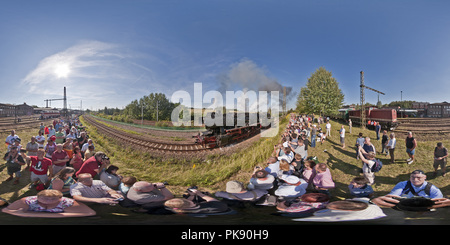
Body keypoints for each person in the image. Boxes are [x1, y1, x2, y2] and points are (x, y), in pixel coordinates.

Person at [370, 170, 444, 208]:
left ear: (425, 177)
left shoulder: (433, 189)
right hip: (404, 209)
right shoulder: (402, 185)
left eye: (419, 177)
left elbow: (439, 203)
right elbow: (392, 196)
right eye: (412, 177)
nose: (415, 179)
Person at [1, 189, 96, 218]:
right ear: (37, 197)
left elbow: (91, 213)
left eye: (53, 199)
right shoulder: (28, 201)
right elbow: (6, 209)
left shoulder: (67, 203)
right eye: (44, 198)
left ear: (60, 198)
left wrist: (61, 215)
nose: (48, 201)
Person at [164, 188, 229, 214]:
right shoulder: (215, 208)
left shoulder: (183, 211)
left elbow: (185, 203)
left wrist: (192, 195)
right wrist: (200, 194)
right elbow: (215, 201)